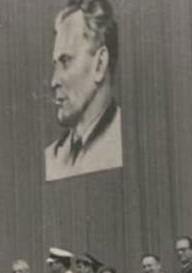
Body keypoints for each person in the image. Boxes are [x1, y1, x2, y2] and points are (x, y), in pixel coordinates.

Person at [45, 0, 122, 181]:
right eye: (55, 65)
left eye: (65, 61)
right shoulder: (53, 158)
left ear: (100, 64)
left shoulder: (125, 142)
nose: (54, 81)